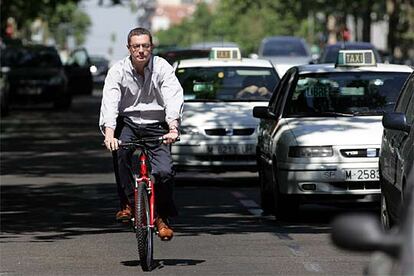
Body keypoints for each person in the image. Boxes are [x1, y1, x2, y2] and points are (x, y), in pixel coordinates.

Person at [99, 27, 183, 241]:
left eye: (145, 46)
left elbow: (173, 95)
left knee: (164, 172)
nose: (141, 51)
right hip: (128, 123)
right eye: (136, 46)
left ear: (151, 47)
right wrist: (109, 134)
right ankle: (129, 205)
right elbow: (110, 101)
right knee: (120, 153)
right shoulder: (117, 70)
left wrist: (173, 127)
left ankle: (162, 217)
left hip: (157, 123)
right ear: (129, 49)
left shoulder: (163, 67)